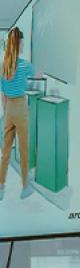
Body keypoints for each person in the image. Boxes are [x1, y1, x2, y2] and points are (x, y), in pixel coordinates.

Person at [0, 28, 39, 201]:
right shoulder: (25, 64)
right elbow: (37, 75)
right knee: (23, 149)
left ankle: (0, 187)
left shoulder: (3, 66)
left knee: (6, 151)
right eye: (22, 41)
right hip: (21, 107)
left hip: (8, 108)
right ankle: (25, 187)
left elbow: (2, 93)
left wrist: (6, 110)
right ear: (19, 43)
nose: (23, 44)